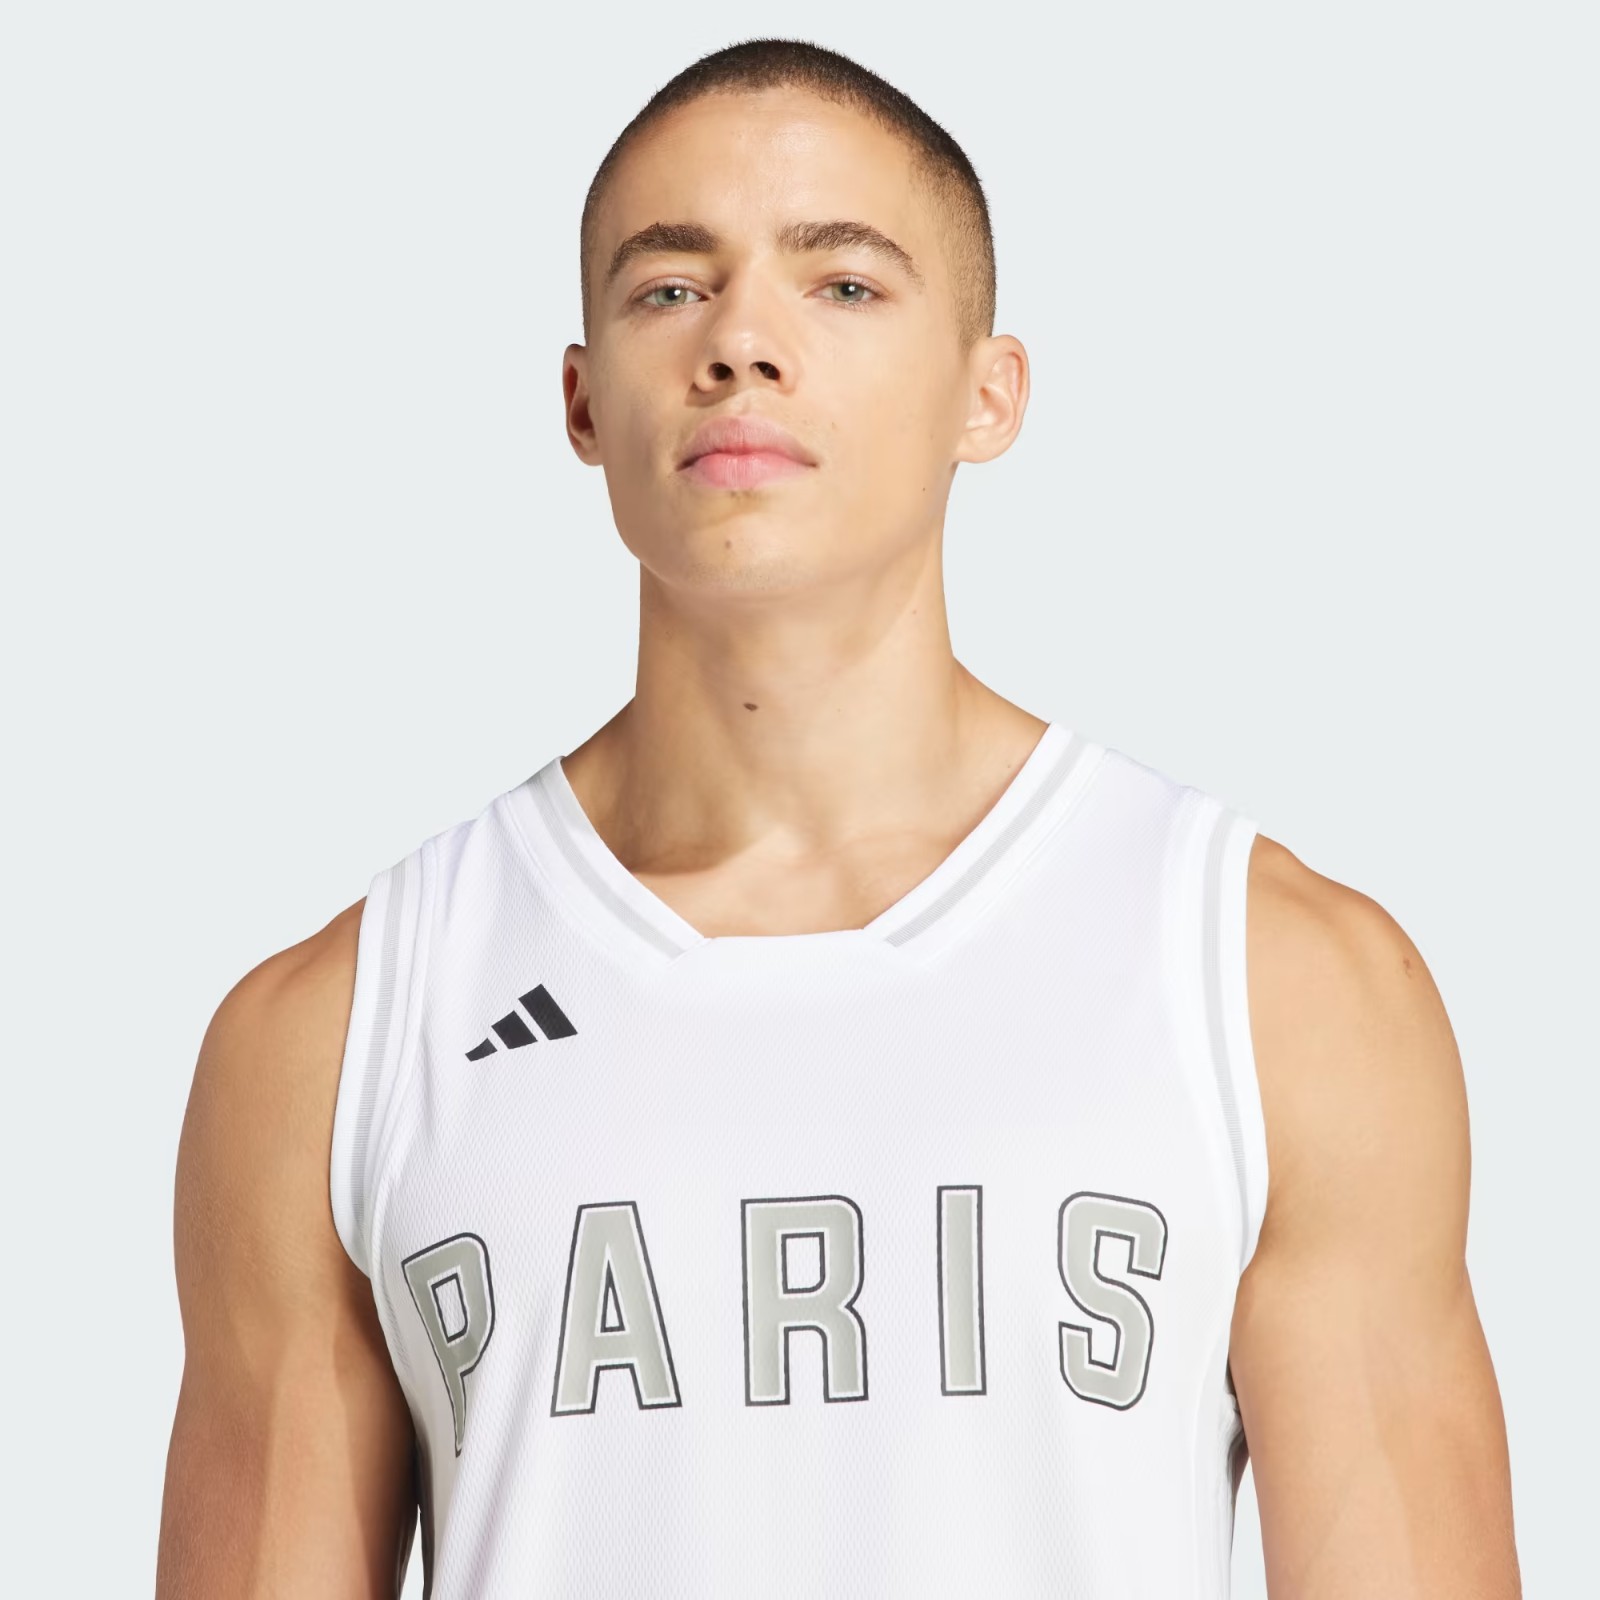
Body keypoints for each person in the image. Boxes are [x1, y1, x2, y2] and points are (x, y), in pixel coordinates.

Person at [155, 37, 1521, 1598]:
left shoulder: (1277, 986)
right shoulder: (334, 1037)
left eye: (845, 284)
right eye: (671, 287)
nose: (742, 341)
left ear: (988, 394)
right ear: (582, 401)